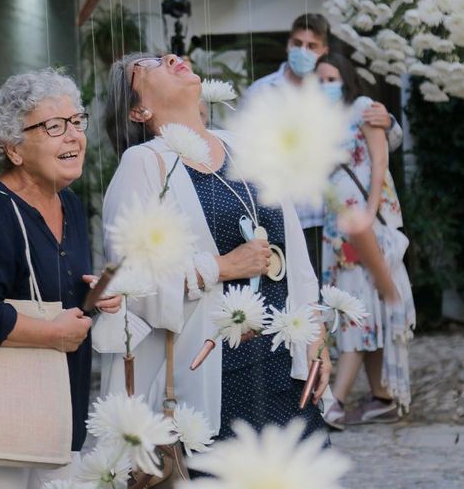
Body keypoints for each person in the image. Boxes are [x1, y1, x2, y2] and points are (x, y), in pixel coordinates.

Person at [97, 52, 330, 442]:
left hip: (280, 365)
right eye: (151, 65)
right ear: (139, 111)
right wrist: (220, 267)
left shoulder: (243, 146)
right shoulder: (143, 164)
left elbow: (295, 257)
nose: (171, 58)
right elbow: (131, 282)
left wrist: (315, 336)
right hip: (213, 376)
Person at [0, 68, 122, 489]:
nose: (72, 136)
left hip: (53, 409)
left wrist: (92, 297)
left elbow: (47, 292)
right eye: (53, 126)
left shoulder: (67, 203)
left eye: (76, 121)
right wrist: (53, 333)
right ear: (14, 149)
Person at [247, 13, 402, 283]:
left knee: (338, 301)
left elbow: (377, 146)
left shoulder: (334, 91)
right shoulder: (261, 92)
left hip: (333, 218)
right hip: (285, 216)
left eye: (312, 46)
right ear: (287, 44)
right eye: (297, 43)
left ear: (324, 51)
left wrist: (388, 123)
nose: (302, 51)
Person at [315, 52, 415, 430]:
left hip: (362, 224)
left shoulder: (361, 108)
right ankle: (382, 397)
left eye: (331, 77)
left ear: (345, 79)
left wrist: (370, 216)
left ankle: (335, 401)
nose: (325, 85)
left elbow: (379, 162)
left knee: (353, 309)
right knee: (363, 308)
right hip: (336, 227)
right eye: (320, 79)